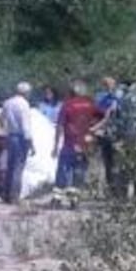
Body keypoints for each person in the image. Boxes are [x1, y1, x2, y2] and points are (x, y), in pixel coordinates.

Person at [52, 79, 99, 208]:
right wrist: (94, 130)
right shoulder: (91, 104)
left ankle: (57, 199)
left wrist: (55, 146)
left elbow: (59, 126)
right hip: (85, 145)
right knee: (80, 172)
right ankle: (74, 200)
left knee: (63, 170)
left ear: (72, 91)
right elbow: (104, 116)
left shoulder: (67, 105)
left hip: (69, 143)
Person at [0, 81, 36, 203]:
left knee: (10, 166)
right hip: (20, 138)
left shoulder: (8, 102)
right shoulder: (24, 105)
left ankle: (5, 194)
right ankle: (14, 197)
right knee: (18, 167)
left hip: (10, 136)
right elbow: (26, 127)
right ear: (26, 92)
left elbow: (0, 119)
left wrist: (6, 130)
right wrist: (31, 144)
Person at [92, 76, 123, 195]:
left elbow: (120, 114)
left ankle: (115, 187)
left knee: (114, 161)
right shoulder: (101, 98)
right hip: (104, 132)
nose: (109, 87)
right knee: (106, 160)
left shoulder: (117, 98)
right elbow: (96, 113)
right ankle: (108, 187)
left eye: (111, 84)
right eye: (107, 84)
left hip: (115, 132)